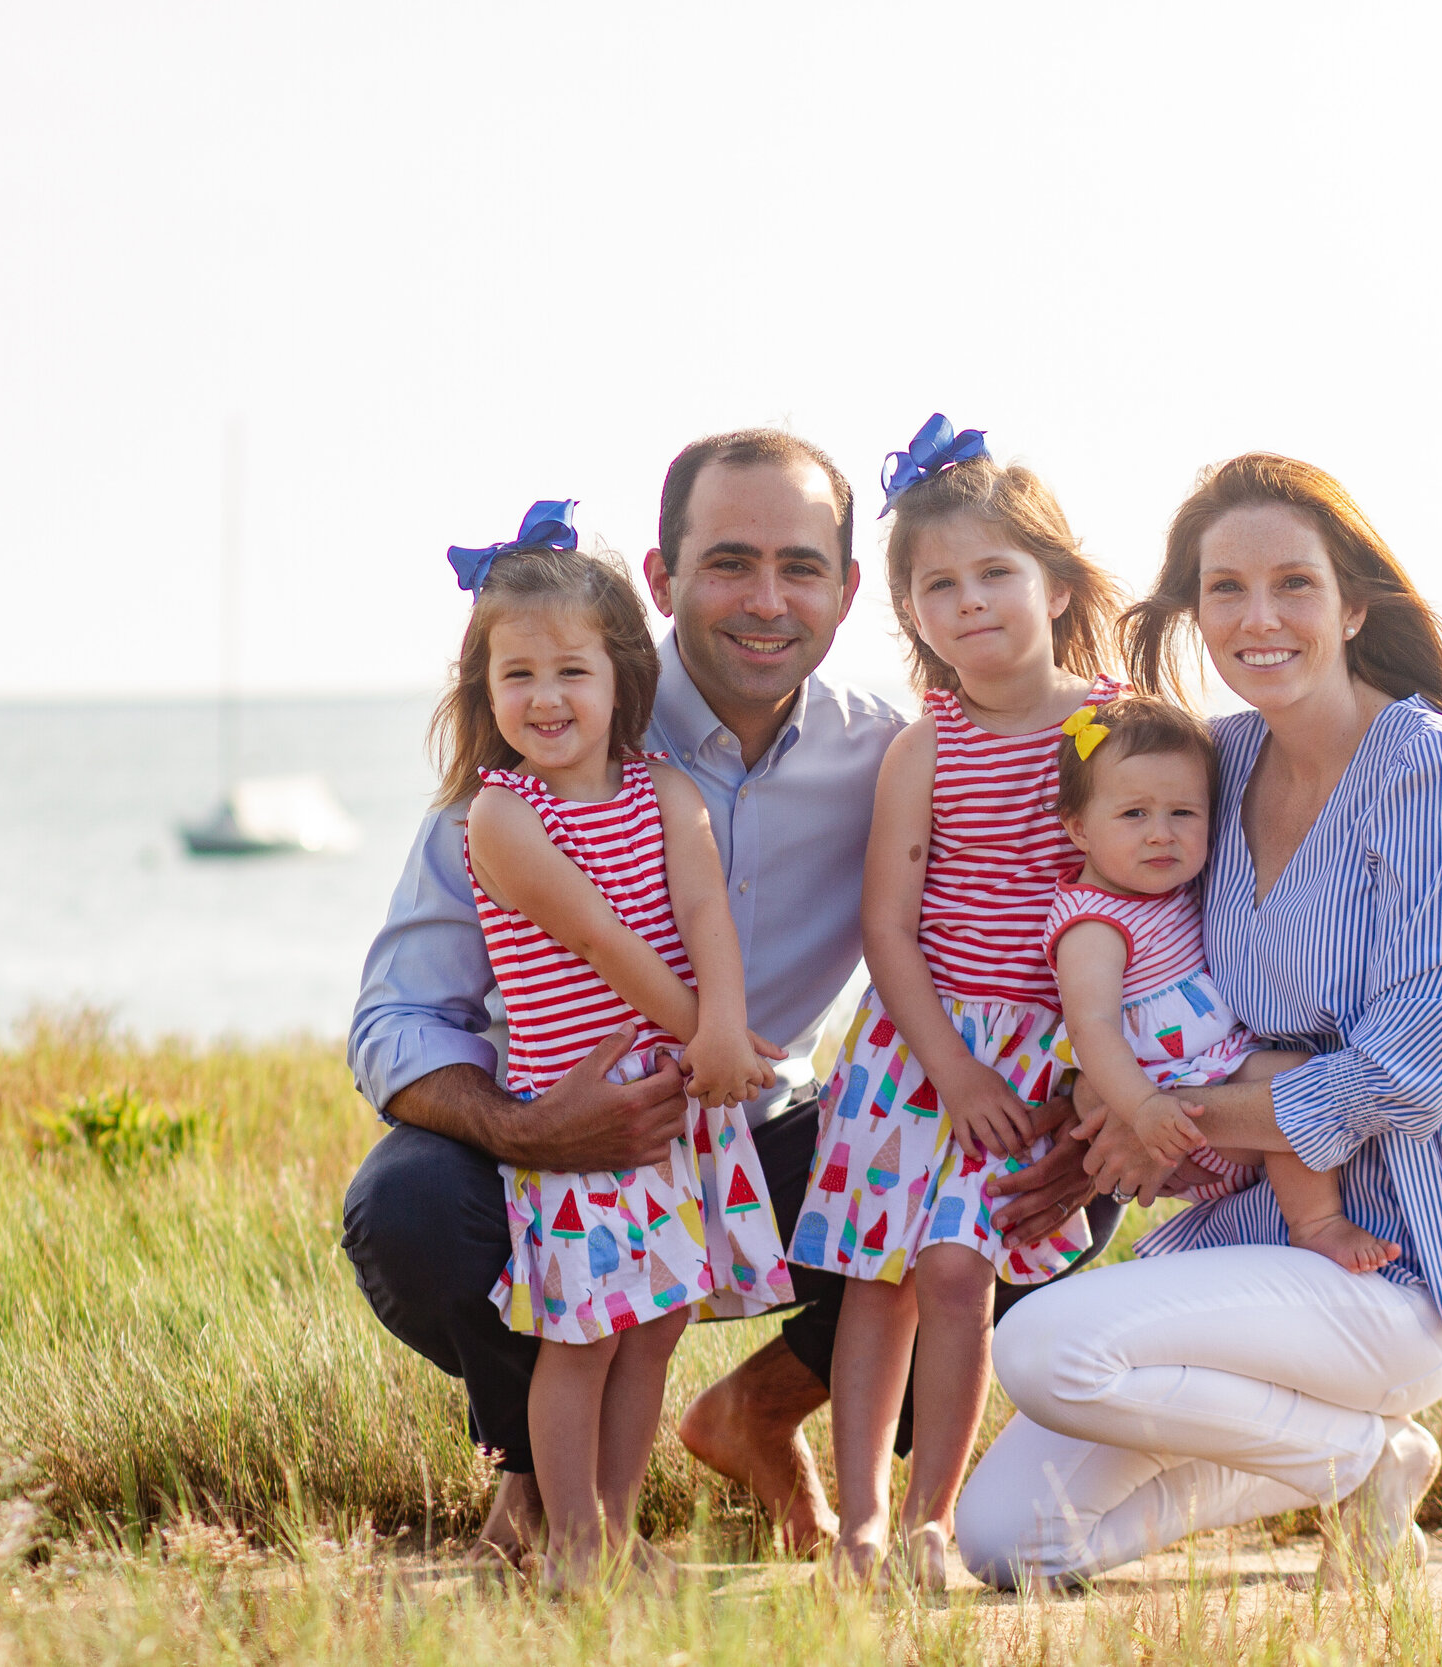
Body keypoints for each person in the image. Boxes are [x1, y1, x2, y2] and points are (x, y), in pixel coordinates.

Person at [340, 428, 1118, 1569]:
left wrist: (1089, 1084)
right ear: (659, 579)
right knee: (408, 1208)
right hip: (560, 1137)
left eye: (800, 566)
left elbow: (1039, 880)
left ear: (854, 591)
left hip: (763, 1135)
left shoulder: (886, 753)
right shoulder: (559, 732)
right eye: (728, 562)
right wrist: (528, 1128)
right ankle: (538, 1474)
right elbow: (394, 1022)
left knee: (1044, 1185)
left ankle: (761, 1406)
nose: (766, 599)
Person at [954, 453, 1442, 1590]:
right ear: (1189, 609)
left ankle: (1352, 1446)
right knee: (1008, 1543)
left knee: (1040, 1343)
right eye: (1224, 588)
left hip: (1393, 1263)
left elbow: (1416, 1073)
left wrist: (1168, 1115)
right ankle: (1362, 1464)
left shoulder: (1434, 772)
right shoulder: (1213, 763)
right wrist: (1094, 1104)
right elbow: (1135, 975)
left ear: (1352, 604)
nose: (1257, 617)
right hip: (1244, 1238)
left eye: (1293, 584)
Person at [790, 415, 1125, 1585]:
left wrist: (1089, 1069)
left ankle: (933, 1513)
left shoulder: (1110, 726)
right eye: (940, 585)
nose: (971, 601)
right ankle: (859, 1524)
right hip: (917, 1044)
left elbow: (1158, 890)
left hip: (1041, 1050)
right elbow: (886, 923)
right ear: (912, 613)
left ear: (1056, 583)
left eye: (996, 573)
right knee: (872, 1282)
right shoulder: (924, 747)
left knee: (954, 1271)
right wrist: (951, 1067)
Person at [436, 504, 796, 1588]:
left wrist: (725, 1026)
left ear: (620, 674)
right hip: (588, 1119)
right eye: (517, 676)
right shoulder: (503, 815)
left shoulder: (662, 789)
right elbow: (602, 938)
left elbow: (702, 919)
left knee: (656, 1323)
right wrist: (711, 1035)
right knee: (581, 1335)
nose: (545, 699)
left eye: (570, 672)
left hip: (680, 1107)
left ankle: (614, 1527)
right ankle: (569, 1545)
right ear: (485, 691)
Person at [1041, 692, 1397, 1274]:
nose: (1161, 834)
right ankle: (1317, 1225)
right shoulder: (1093, 925)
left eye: (1183, 813)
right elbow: (1091, 1026)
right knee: (1289, 1079)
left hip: (1217, 1068)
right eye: (1134, 815)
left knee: (1292, 1073)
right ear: (1079, 830)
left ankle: (1288, 1229)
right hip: (1170, 1093)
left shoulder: (1175, 888)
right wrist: (1143, 1107)